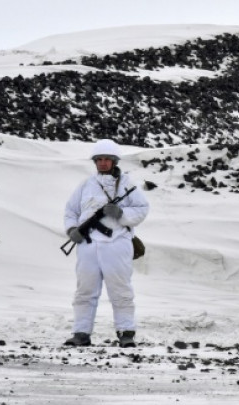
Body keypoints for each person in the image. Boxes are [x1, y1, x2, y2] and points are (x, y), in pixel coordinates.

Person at [62, 138, 150, 347]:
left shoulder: (127, 185)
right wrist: (72, 229)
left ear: (114, 162)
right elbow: (71, 211)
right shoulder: (86, 184)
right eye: (99, 159)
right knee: (85, 291)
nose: (102, 163)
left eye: (106, 159)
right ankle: (81, 333)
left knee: (120, 290)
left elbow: (142, 209)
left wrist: (121, 213)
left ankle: (126, 332)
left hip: (117, 243)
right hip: (88, 245)